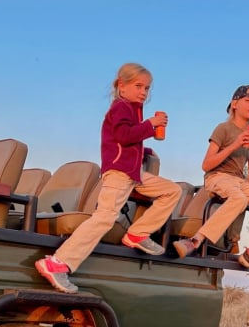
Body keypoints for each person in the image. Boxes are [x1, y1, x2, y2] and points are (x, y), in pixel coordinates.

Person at [36, 63, 181, 293]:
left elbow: (123, 141)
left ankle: (137, 233)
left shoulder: (132, 110)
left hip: (133, 173)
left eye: (147, 88)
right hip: (119, 173)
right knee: (104, 217)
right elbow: (123, 136)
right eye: (138, 86)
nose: (144, 92)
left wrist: (144, 151)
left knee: (172, 190)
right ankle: (58, 263)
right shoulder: (121, 107)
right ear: (121, 86)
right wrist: (150, 126)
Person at [173, 85, 249, 280]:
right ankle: (195, 241)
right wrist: (235, 144)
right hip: (217, 177)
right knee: (239, 198)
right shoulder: (223, 128)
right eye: (248, 101)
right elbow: (206, 164)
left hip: (240, 181)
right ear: (234, 104)